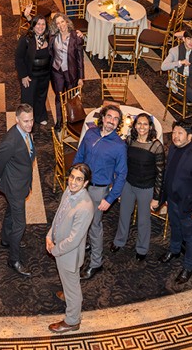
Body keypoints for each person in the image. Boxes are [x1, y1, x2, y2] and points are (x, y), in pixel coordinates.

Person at [71, 104, 128, 281]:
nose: (111, 121)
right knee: (78, 219)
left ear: (118, 123)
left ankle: (96, 263)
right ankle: (85, 245)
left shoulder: (119, 146)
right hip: (82, 186)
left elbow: (122, 175)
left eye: (115, 119)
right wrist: (74, 179)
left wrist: (110, 198)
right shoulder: (90, 134)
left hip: (99, 191)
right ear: (103, 117)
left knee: (95, 226)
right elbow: (79, 156)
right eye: (109, 117)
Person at [156, 122, 192, 284]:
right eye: (174, 132)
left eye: (180, 133)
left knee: (190, 237)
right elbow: (168, 174)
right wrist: (164, 198)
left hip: (188, 206)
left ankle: (188, 267)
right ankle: (174, 250)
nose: (175, 136)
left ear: (190, 137)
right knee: (175, 227)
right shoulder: (172, 149)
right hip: (173, 201)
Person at [47, 163, 95, 334]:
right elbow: (59, 215)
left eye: (79, 179)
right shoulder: (69, 191)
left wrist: (54, 250)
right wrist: (49, 234)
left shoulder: (85, 207)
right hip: (59, 246)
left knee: (73, 285)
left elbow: (74, 240)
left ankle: (73, 320)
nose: (73, 182)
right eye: (72, 177)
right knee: (68, 283)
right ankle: (68, 295)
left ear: (86, 183)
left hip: (68, 253)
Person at [111, 113, 164, 261]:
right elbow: (122, 165)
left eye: (145, 124)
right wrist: (119, 187)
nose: (142, 127)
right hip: (128, 184)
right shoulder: (129, 141)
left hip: (146, 188)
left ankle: (142, 248)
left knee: (143, 220)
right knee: (123, 215)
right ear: (134, 126)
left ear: (150, 127)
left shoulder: (156, 146)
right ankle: (119, 241)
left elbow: (160, 174)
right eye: (139, 124)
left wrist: (156, 197)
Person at [0, 104, 38, 277]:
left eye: (32, 120)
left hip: (21, 182)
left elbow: (28, 155)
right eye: (26, 121)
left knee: (11, 213)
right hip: (15, 187)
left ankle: (5, 239)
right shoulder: (10, 141)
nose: (29, 124)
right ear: (17, 120)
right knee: (20, 224)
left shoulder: (24, 133)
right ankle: (14, 260)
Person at [48, 12, 85, 128]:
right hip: (56, 71)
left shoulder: (75, 37)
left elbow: (80, 59)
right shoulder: (53, 37)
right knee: (59, 97)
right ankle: (59, 121)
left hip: (71, 72)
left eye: (62, 21)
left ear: (66, 22)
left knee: (70, 97)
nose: (61, 25)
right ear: (56, 25)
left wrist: (80, 77)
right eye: (58, 23)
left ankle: (70, 120)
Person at [15, 14, 53, 127]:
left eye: (43, 24)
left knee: (41, 97)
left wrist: (77, 33)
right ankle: (26, 122)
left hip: (44, 75)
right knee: (28, 100)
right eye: (38, 24)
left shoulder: (49, 37)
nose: (40, 27)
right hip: (30, 76)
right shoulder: (26, 39)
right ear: (33, 25)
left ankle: (40, 116)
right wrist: (23, 75)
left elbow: (63, 32)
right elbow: (19, 58)